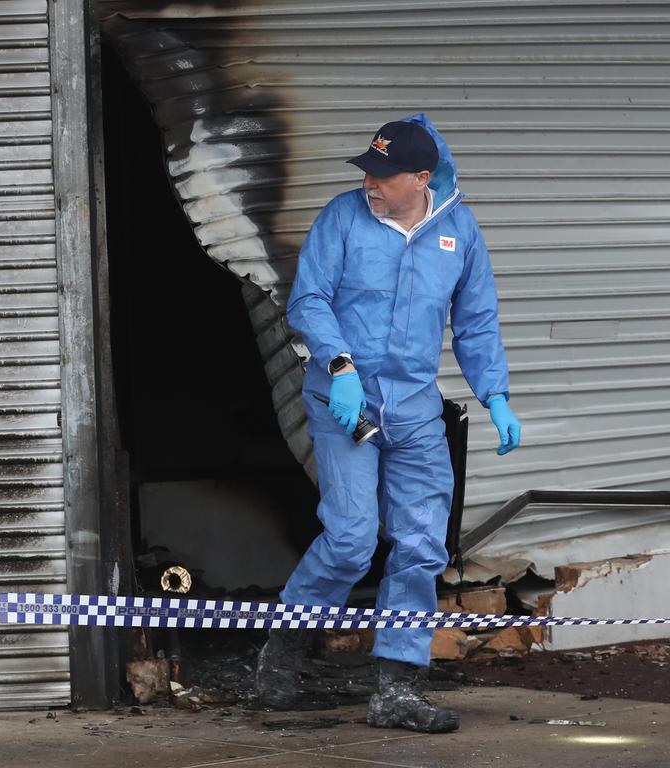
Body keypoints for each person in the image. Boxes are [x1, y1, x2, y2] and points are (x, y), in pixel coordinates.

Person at [255, 114, 522, 733]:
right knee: (350, 541)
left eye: (382, 174)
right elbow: (309, 299)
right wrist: (340, 365)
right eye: (367, 171)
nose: (370, 183)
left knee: (422, 545)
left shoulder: (459, 229)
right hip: (342, 402)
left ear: (420, 177)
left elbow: (476, 321)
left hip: (415, 410)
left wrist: (496, 394)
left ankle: (397, 689)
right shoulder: (343, 218)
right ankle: (280, 659)